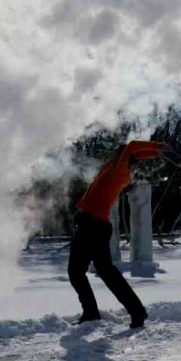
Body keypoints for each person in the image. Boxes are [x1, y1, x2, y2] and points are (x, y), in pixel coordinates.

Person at [69, 139, 167, 328]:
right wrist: (155, 154)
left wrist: (156, 146)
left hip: (92, 225)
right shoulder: (114, 168)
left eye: (118, 153)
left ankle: (91, 312)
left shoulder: (119, 172)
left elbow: (131, 148)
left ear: (123, 158)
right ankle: (136, 311)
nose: (114, 153)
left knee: (75, 271)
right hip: (96, 225)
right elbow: (134, 153)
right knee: (107, 273)